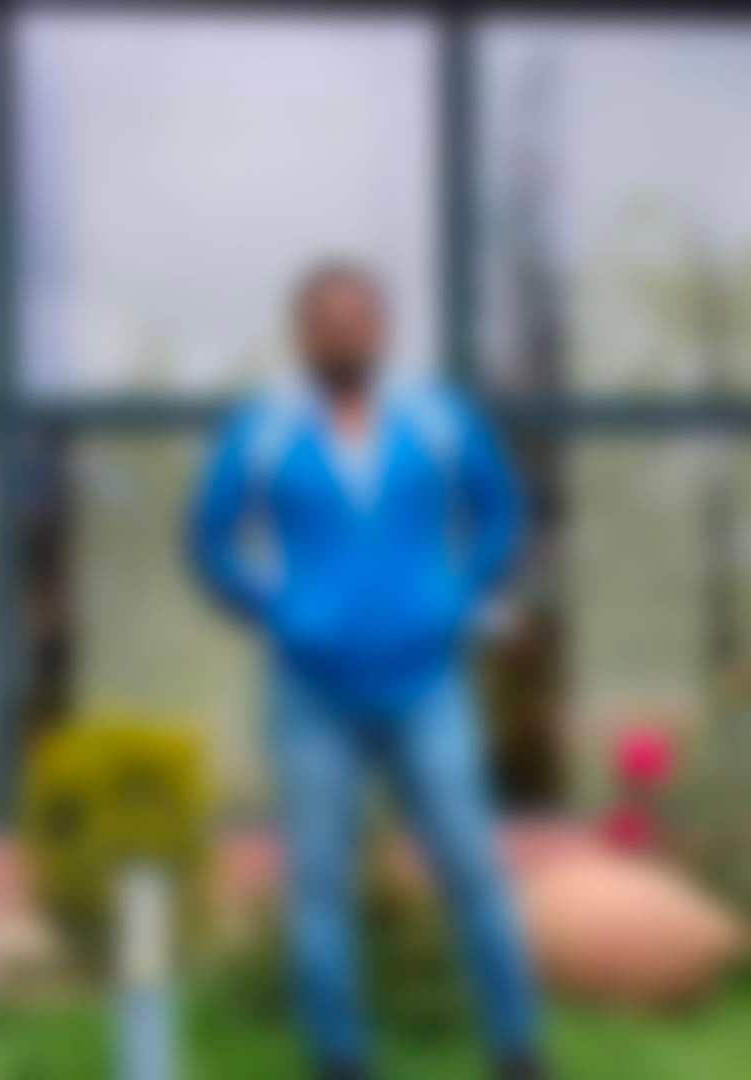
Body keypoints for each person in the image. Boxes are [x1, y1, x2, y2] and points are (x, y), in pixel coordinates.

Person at [186, 261, 547, 1080]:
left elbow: (500, 511)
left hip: (429, 685)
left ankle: (518, 1051)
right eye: (327, 318)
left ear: (382, 329)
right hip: (311, 694)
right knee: (319, 888)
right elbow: (210, 542)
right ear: (302, 334)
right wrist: (277, 609)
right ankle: (341, 1057)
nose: (343, 330)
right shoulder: (264, 430)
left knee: (473, 868)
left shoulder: (439, 419)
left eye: (358, 316)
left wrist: (460, 595)